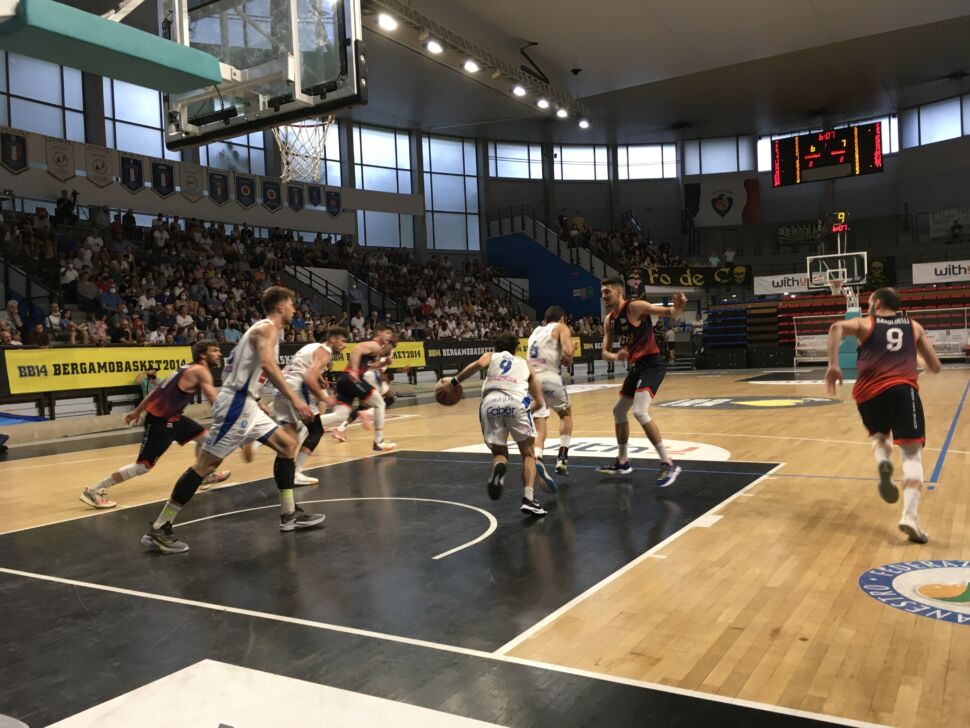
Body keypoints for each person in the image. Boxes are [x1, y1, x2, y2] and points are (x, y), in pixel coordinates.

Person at [141, 287, 323, 554]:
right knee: (205, 466)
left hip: (245, 402)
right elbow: (269, 366)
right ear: (281, 307)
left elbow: (231, 367)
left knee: (287, 446)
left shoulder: (260, 331)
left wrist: (254, 396)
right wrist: (295, 400)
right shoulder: (267, 328)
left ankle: (288, 514)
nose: (295, 310)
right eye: (292, 304)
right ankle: (159, 527)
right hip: (236, 405)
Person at [824, 287, 942, 543]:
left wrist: (833, 365)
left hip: (867, 394)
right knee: (911, 454)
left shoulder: (866, 323)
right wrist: (917, 358)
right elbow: (935, 367)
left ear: (877, 303)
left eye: (869, 302)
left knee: (879, 435)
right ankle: (910, 518)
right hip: (901, 389)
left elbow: (835, 328)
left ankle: (882, 461)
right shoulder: (915, 327)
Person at [79, 341, 230, 510]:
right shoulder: (201, 371)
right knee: (143, 466)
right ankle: (93, 490)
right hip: (161, 421)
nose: (220, 354)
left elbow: (156, 391)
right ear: (203, 355)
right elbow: (212, 397)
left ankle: (204, 474)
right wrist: (228, 416)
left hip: (175, 419)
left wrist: (137, 411)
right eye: (215, 350)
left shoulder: (185, 368)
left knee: (206, 439)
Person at [439, 331, 549, 516]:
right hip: (516, 403)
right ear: (515, 348)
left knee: (499, 452)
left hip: (490, 402)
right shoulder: (525, 364)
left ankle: (499, 468)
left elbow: (477, 365)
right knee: (528, 454)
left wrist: (454, 382)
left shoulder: (491, 356)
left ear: (496, 346)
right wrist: (521, 412)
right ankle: (529, 499)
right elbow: (539, 402)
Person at [596, 276, 687, 486]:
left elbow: (668, 312)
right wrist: (616, 356)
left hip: (653, 363)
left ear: (619, 292)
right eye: (602, 293)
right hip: (636, 367)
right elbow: (604, 353)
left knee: (639, 411)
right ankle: (623, 461)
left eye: (607, 292)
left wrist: (678, 307)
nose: (604, 296)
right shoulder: (609, 319)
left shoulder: (635, 307)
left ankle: (669, 463)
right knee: (619, 411)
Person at [274, 326, 348, 485]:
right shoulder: (325, 352)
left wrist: (319, 376)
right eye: (342, 341)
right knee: (316, 430)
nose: (345, 345)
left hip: (281, 390)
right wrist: (325, 398)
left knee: (290, 439)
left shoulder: (311, 346)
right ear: (332, 339)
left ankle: (286, 476)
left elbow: (304, 367)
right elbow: (308, 378)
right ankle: (296, 472)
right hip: (295, 390)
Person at [318, 323, 397, 452]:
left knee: (340, 415)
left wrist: (383, 363)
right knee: (380, 404)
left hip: (344, 380)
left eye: (391, 334)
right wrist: (354, 371)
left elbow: (370, 366)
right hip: (351, 378)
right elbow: (357, 349)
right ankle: (378, 441)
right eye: (387, 333)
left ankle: (303, 425)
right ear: (379, 333)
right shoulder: (374, 344)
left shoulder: (376, 350)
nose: (390, 336)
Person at [527, 306, 576, 485]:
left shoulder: (536, 332)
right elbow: (569, 353)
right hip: (550, 377)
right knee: (565, 414)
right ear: (562, 319)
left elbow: (553, 355)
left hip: (531, 379)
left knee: (540, 421)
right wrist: (572, 351)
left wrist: (563, 357)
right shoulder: (561, 328)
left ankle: (538, 457)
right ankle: (562, 458)